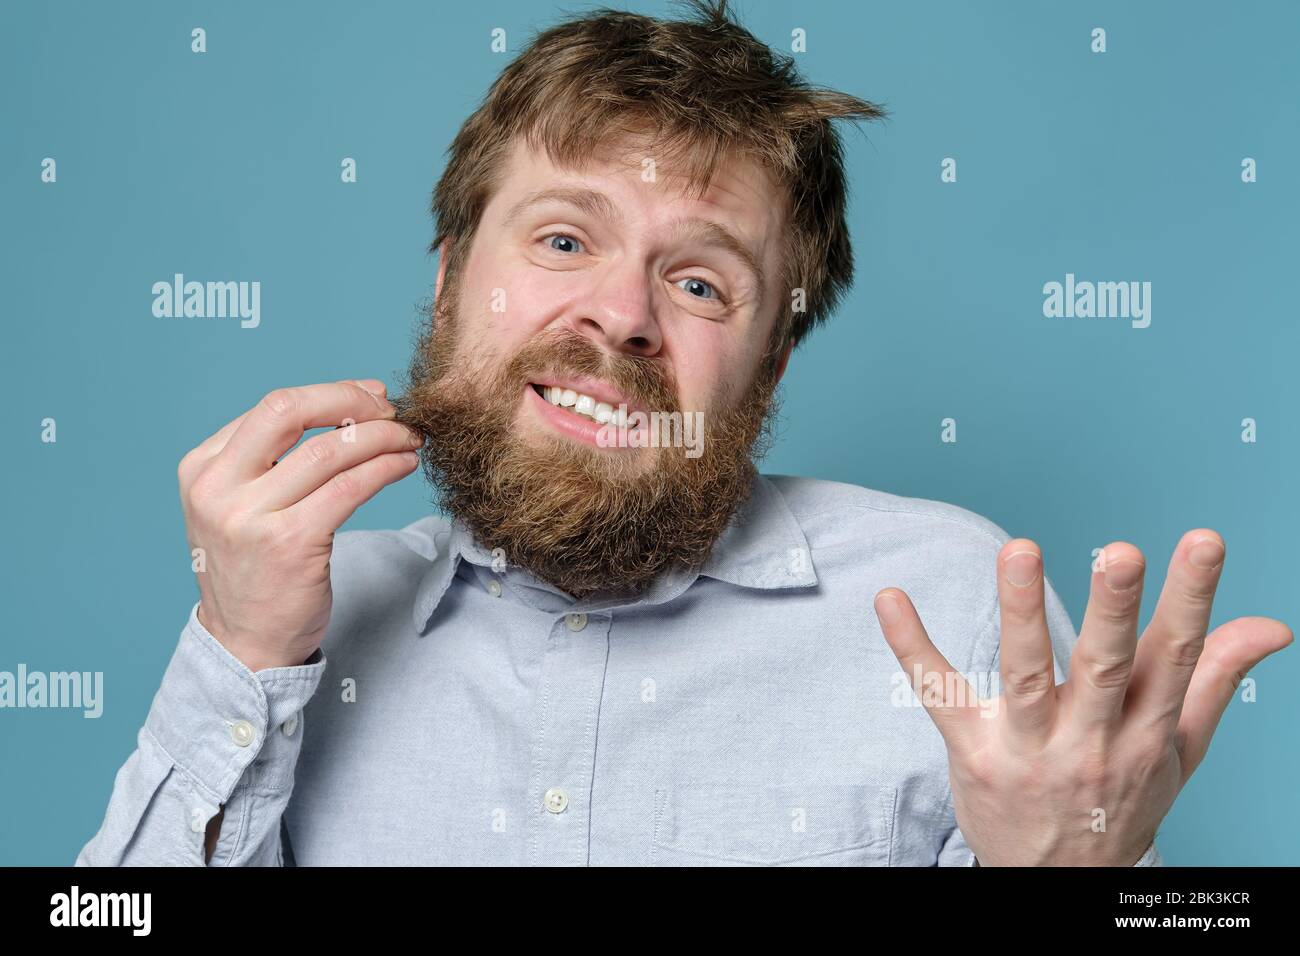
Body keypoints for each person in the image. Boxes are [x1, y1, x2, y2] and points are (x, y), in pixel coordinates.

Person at [78, 0, 1290, 866]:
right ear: (449, 283)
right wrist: (238, 659)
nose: (621, 315)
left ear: (769, 363)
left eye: (701, 283)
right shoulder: (302, 620)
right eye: (563, 239)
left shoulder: (958, 608)